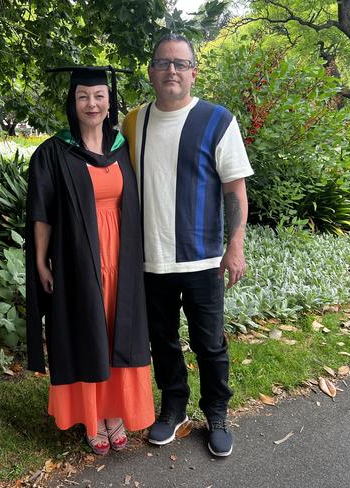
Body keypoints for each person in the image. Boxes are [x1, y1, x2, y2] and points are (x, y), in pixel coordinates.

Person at [122, 34, 254, 457]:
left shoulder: (217, 120)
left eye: (180, 64)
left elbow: (235, 190)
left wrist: (235, 246)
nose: (172, 70)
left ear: (194, 72)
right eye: (163, 63)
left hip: (203, 260)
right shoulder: (132, 121)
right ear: (151, 71)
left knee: (209, 342)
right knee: (161, 341)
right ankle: (174, 407)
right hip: (150, 259)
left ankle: (216, 412)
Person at [25, 66, 155, 455]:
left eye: (99, 96)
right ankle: (93, 415)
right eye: (83, 96)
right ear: (73, 102)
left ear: (109, 101)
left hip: (123, 258)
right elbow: (42, 213)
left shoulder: (124, 146)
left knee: (121, 330)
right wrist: (42, 261)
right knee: (88, 330)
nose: (92, 104)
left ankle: (116, 410)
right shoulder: (53, 152)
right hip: (79, 260)